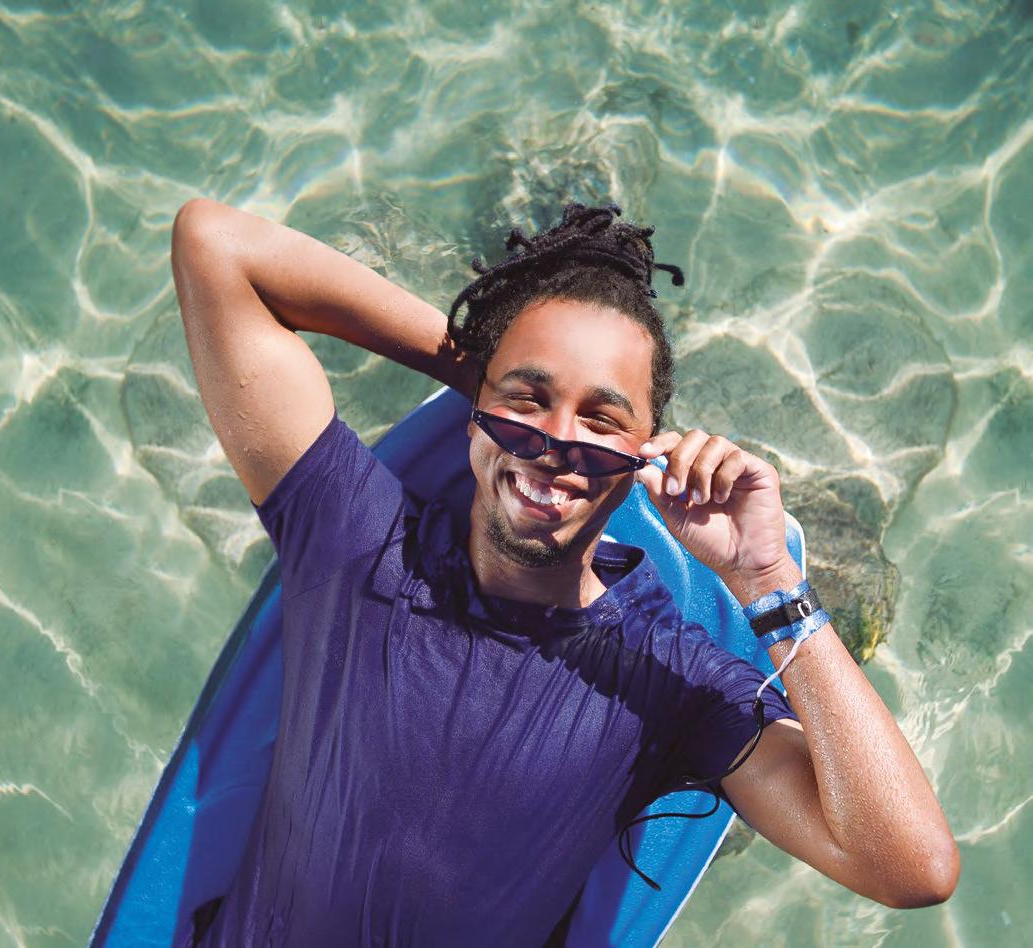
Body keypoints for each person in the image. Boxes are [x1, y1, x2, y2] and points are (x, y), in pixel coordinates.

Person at [170, 199, 959, 946]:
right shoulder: (356, 541)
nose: (554, 445)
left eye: (600, 418)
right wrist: (490, 384)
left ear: (646, 452)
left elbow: (911, 869)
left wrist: (764, 577)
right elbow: (216, 245)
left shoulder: (669, 681)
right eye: (529, 398)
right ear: (477, 407)